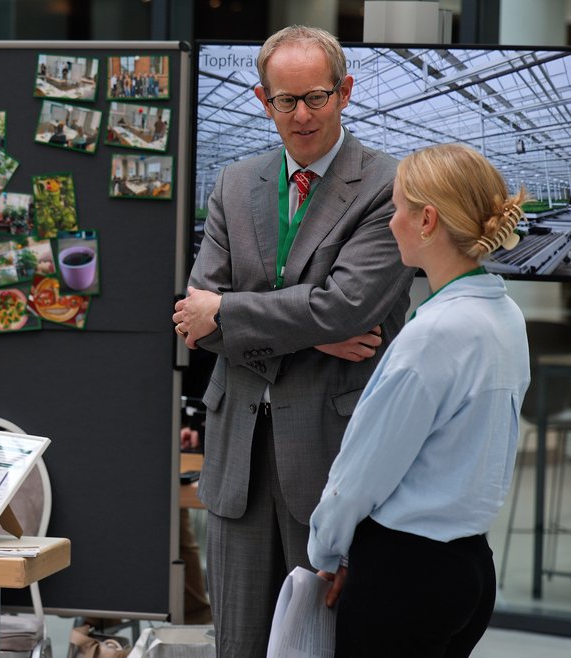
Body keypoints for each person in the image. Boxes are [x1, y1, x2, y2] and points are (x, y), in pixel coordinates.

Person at [171, 25, 415, 657]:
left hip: (329, 457)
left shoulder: (389, 186)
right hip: (238, 461)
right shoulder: (235, 183)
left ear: (345, 92)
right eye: (286, 100)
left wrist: (232, 313)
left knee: (322, 644)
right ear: (263, 100)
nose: (302, 114)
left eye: (317, 97)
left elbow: (349, 306)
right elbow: (198, 314)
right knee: (240, 644)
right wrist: (313, 332)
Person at [308, 143, 530, 657]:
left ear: (427, 219)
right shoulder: (506, 318)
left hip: (403, 575)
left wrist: (328, 550)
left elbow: (362, 471)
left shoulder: (433, 335)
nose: (390, 223)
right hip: (470, 567)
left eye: (397, 208)